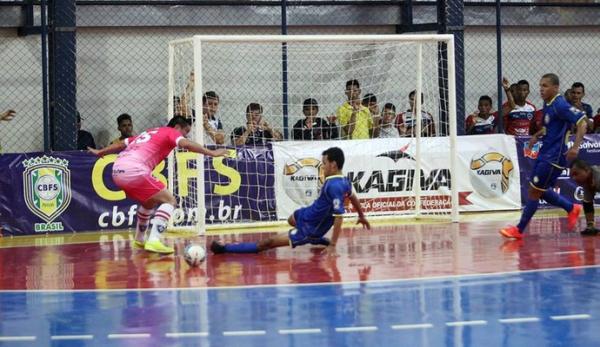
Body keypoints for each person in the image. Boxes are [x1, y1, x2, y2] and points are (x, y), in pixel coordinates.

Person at [89, 116, 228, 254]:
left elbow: (121, 144)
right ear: (177, 127)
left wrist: (101, 152)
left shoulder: (149, 132)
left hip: (117, 171)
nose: (185, 135)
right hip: (134, 170)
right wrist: (212, 153)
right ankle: (154, 240)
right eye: (185, 131)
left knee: (149, 202)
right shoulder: (171, 132)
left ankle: (139, 239)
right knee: (170, 201)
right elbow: (186, 144)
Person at [211, 147, 370, 257]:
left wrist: (333, 245)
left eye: (324, 163)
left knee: (267, 243)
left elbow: (339, 217)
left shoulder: (334, 186)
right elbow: (353, 197)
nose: (322, 167)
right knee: (291, 219)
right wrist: (362, 216)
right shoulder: (343, 181)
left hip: (308, 228)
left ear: (333, 165)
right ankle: (318, 239)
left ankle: (224, 249)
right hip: (307, 213)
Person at [500, 73, 588, 240]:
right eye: (540, 85)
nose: (541, 88)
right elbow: (551, 126)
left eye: (545, 86)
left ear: (555, 88)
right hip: (545, 152)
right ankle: (571, 208)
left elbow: (583, 122)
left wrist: (575, 147)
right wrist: (537, 135)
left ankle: (518, 230)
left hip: (553, 158)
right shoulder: (548, 103)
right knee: (536, 189)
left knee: (534, 192)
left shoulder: (560, 105)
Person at [569, 159, 600, 236]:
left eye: (576, 174)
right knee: (587, 201)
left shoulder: (598, 178)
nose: (574, 178)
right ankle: (590, 226)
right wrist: (590, 227)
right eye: (572, 175)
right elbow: (587, 203)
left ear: (587, 170)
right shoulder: (587, 181)